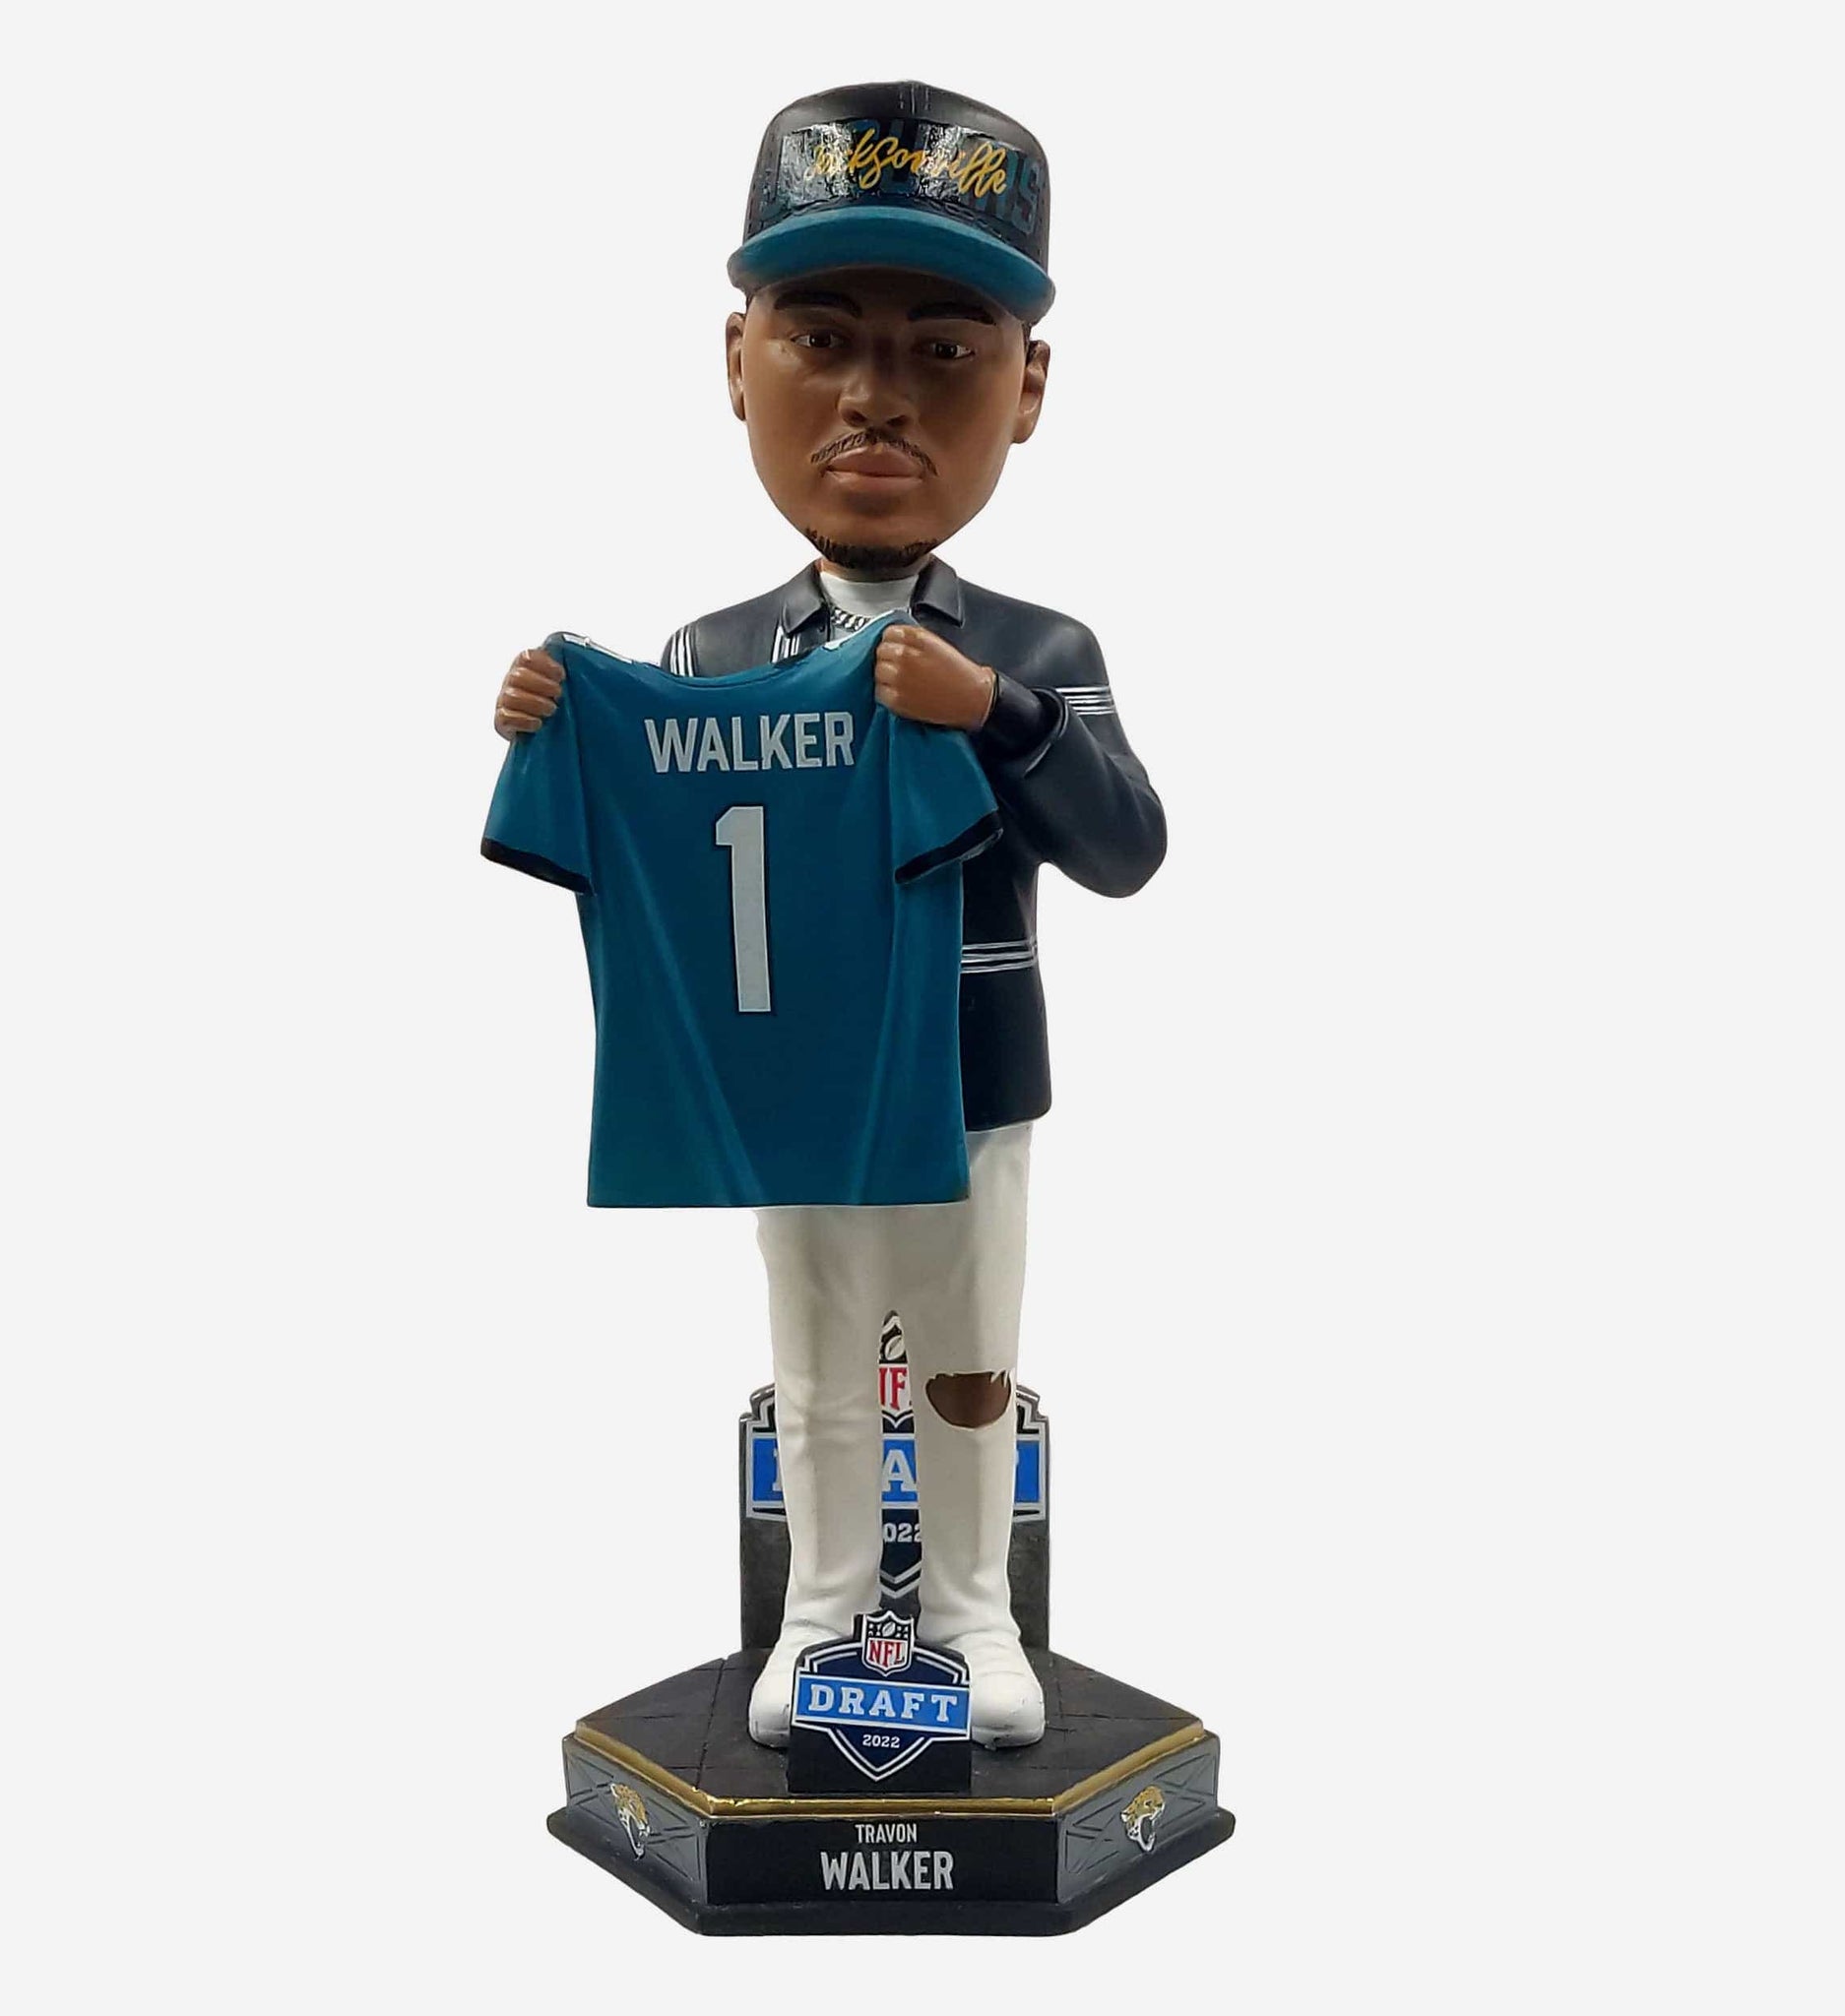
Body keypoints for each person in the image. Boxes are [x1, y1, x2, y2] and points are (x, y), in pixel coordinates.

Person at [493, 83, 1166, 1747]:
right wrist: (559, 729)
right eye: (822, 338)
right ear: (740, 362)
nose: (876, 397)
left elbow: (1128, 846)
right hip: (786, 1066)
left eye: (942, 348)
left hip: (968, 1068)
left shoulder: (1041, 645)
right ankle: (818, 1608)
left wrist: (994, 710)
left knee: (965, 1360)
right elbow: (646, 855)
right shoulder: (709, 654)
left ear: (1025, 386)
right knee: (817, 1354)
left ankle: (971, 1612)